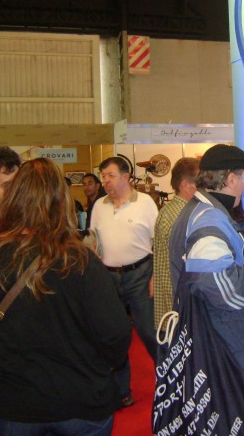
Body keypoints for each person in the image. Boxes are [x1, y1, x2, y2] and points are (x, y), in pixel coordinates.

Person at [0, 158, 132, 435]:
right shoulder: (81, 260)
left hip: (10, 403)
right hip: (80, 399)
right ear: (63, 202)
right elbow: (115, 333)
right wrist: (98, 369)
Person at [165, 144, 244, 434]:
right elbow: (222, 291)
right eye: (243, 178)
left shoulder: (200, 211)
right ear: (230, 180)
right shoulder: (209, 220)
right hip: (222, 348)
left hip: (213, 342)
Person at [90, 156, 158, 407]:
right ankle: (121, 392)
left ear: (126, 176)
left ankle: (170, 381)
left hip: (140, 274)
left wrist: (155, 277)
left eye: (110, 175)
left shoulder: (146, 203)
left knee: (149, 332)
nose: (105, 181)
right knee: (113, 336)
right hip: (107, 277)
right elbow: (93, 239)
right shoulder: (99, 206)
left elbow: (159, 241)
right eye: (103, 176)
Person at [152, 157, 199, 327]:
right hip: (180, 304)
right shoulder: (185, 216)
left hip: (169, 304)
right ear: (185, 185)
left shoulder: (169, 211)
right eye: (199, 183)